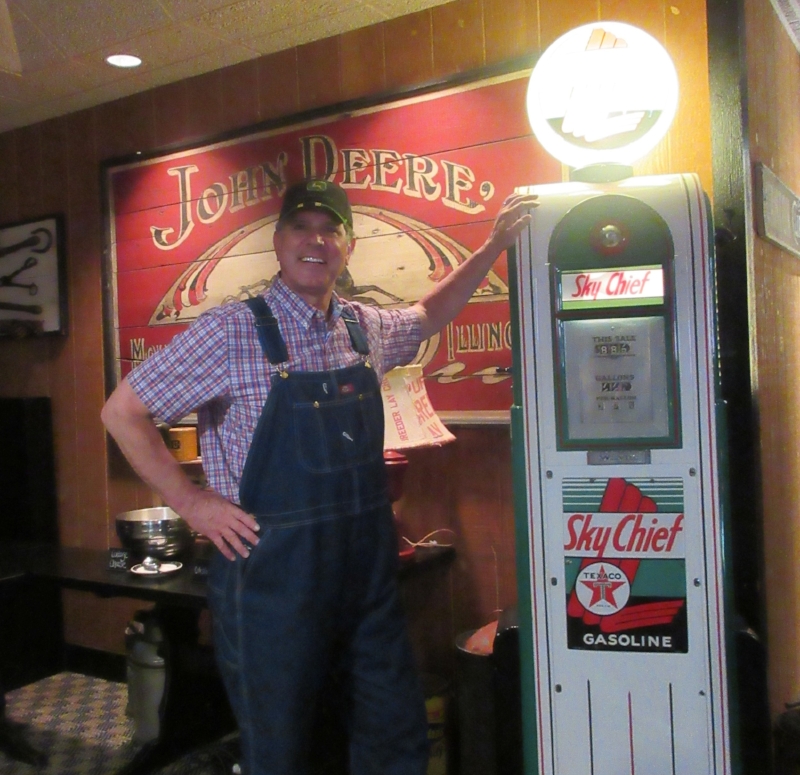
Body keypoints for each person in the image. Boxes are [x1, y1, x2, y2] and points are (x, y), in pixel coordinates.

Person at [101, 179, 538, 775]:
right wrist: (192, 502)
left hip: (364, 580)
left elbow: (431, 313)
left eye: (330, 229)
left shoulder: (363, 329)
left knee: (392, 736)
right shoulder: (231, 330)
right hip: (272, 582)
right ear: (279, 243)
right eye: (301, 228)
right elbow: (122, 411)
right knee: (287, 751)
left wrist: (492, 248)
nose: (316, 241)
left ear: (348, 245)